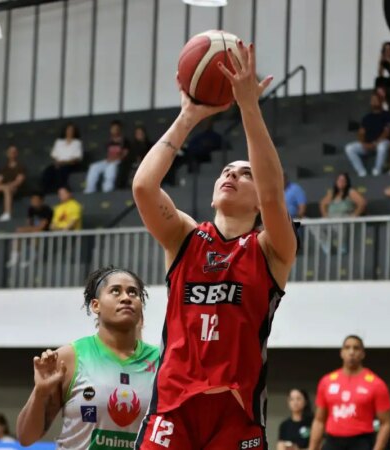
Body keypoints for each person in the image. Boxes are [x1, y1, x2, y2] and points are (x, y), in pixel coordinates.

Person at [132, 41, 298, 449]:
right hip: (172, 408)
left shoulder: (271, 249)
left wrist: (249, 107)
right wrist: (188, 116)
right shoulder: (185, 237)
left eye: (244, 173)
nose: (231, 175)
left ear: (260, 199)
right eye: (226, 170)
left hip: (236, 413)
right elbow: (143, 186)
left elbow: (275, 194)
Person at [16, 266, 159, 449]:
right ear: (95, 305)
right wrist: (40, 392)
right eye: (115, 291)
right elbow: (26, 437)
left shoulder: (162, 361)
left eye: (133, 293)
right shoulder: (69, 358)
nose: (126, 298)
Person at [308, 336, 390, 450]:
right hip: (332, 442)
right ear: (342, 352)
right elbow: (319, 420)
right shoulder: (327, 382)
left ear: (362, 354)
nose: (351, 352)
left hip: (361, 442)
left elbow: (386, 423)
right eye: (347, 348)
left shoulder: (376, 384)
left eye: (356, 348)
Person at [317, 173, 367, 254]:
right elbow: (322, 203)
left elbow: (362, 202)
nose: (341, 182)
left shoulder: (351, 192)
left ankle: (342, 244)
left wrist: (355, 214)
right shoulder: (332, 193)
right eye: (339, 180)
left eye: (343, 180)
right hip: (331, 219)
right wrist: (325, 215)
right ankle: (326, 244)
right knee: (314, 225)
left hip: (344, 217)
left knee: (341, 222)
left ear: (347, 182)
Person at [345, 94, 390, 177]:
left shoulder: (387, 115)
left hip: (382, 142)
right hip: (368, 145)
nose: (374, 102)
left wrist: (375, 143)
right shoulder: (366, 117)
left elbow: (387, 132)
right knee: (349, 148)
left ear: (381, 101)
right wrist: (363, 143)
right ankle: (362, 172)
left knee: (382, 146)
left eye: (376, 100)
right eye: (372, 100)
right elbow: (361, 133)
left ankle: (377, 171)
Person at [6, 193, 54, 268]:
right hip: (33, 230)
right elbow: (28, 224)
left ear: (41, 201)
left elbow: (41, 227)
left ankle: (32, 259)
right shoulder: (30, 209)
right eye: (32, 200)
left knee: (35, 233)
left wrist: (29, 230)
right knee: (18, 232)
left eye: (36, 200)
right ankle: (14, 258)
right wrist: (25, 230)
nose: (34, 202)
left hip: (44, 233)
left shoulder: (47, 210)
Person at [85, 120, 128, 193]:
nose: (114, 130)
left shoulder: (124, 141)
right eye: (112, 129)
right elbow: (107, 154)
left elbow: (125, 154)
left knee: (111, 168)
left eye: (116, 129)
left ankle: (107, 189)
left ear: (119, 130)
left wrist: (116, 159)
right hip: (108, 160)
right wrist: (109, 159)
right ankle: (90, 189)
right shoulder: (109, 141)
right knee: (93, 167)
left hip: (118, 161)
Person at [42, 123, 83, 194]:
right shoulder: (58, 142)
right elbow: (54, 155)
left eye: (71, 130)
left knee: (61, 171)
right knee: (48, 171)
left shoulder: (77, 142)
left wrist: (64, 163)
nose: (69, 132)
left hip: (71, 164)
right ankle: (46, 192)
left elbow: (77, 157)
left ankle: (61, 191)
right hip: (58, 163)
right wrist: (57, 162)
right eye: (68, 130)